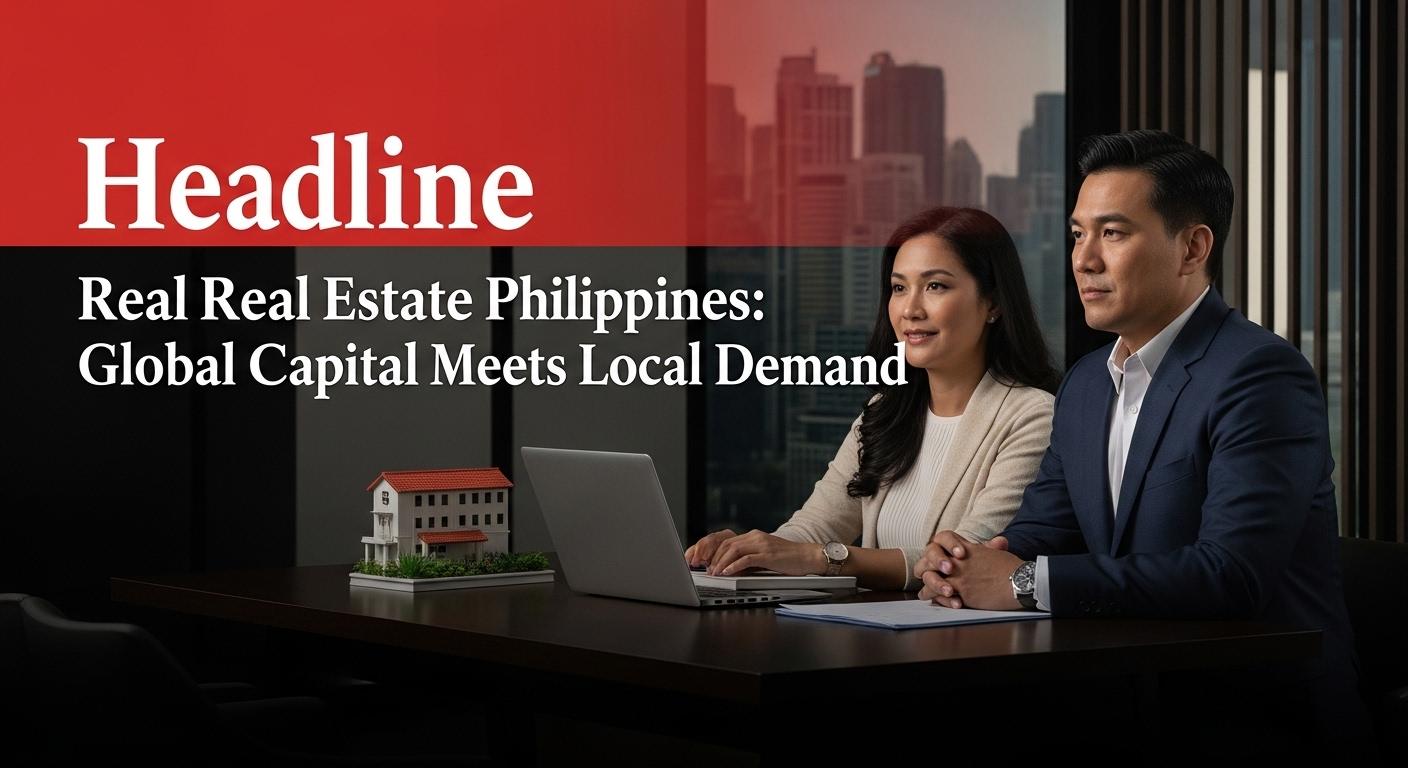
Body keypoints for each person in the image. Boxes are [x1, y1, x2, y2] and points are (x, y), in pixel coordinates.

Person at [915, 130, 1371, 755]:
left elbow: (1230, 574)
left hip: (1254, 725)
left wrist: (1022, 583)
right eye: (1078, 233)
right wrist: (960, 566)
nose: (1083, 259)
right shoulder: (1085, 384)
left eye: (1113, 233)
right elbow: (1040, 535)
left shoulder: (1259, 374)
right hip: (1117, 707)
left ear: (1192, 247)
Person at [685, 207, 1060, 590]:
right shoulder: (885, 410)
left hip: (960, 643)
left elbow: (961, 562)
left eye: (936, 286)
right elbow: (817, 525)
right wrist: (748, 552)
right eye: (899, 288)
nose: (910, 310)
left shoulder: (1031, 415)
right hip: (876, 636)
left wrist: (823, 559)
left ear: (993, 303)